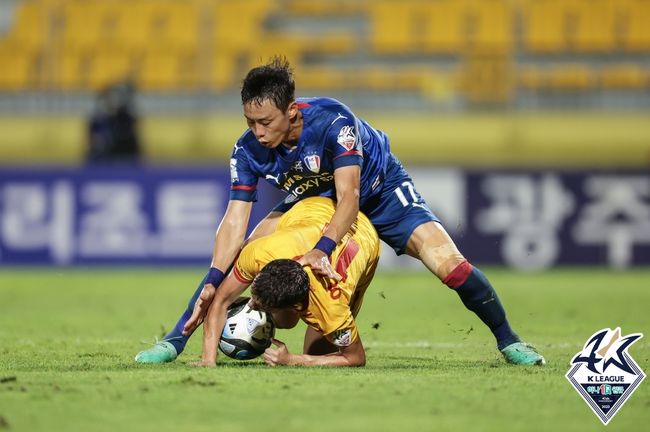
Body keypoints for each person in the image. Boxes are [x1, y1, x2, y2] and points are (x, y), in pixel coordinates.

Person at [135, 56, 544, 366]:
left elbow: (349, 197)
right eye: (250, 121)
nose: (258, 132)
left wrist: (322, 248)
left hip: (379, 190)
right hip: (315, 197)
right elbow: (233, 222)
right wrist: (211, 276)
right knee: (238, 258)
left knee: (450, 266)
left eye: (265, 122)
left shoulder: (333, 122)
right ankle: (174, 341)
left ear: (291, 111)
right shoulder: (247, 149)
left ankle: (509, 340)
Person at [184, 197, 379, 367]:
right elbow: (220, 300)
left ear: (295, 306)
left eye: (259, 304)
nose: (250, 303)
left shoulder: (332, 308)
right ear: (261, 272)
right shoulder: (260, 253)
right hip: (314, 208)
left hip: (365, 238)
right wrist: (208, 359)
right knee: (285, 324)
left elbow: (355, 357)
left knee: (316, 354)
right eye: (253, 296)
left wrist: (293, 359)